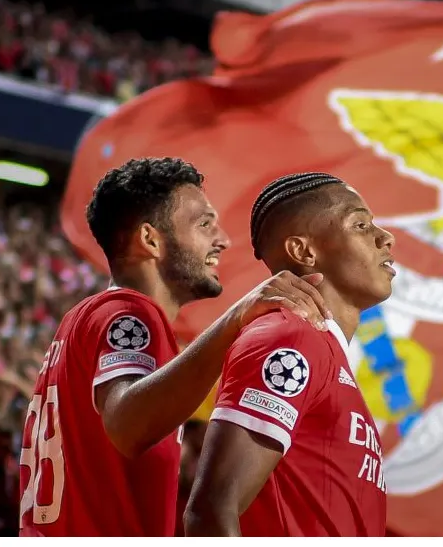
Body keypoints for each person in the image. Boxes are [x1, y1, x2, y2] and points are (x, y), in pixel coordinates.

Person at [18, 157, 330, 537]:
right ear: (151, 240)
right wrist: (237, 318)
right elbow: (128, 424)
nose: (223, 240)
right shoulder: (129, 314)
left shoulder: (86, 319)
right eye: (203, 224)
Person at [184, 172, 395, 537]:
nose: (385, 237)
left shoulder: (323, 349)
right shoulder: (289, 339)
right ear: (304, 251)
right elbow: (211, 512)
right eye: (360, 224)